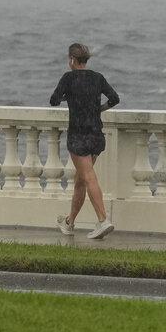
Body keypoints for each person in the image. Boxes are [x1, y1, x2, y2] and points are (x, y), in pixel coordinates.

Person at [49, 42, 120, 239]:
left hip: (78, 136)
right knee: (80, 180)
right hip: (96, 136)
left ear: (72, 59)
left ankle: (103, 220)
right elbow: (114, 98)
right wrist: (99, 109)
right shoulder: (98, 78)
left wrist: (67, 97)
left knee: (88, 177)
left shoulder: (68, 78)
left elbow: (53, 100)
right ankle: (70, 223)